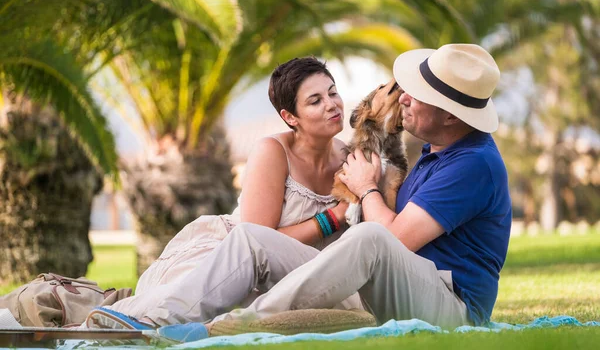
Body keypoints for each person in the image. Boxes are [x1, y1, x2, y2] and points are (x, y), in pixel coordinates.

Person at [90, 43, 511, 333]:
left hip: (451, 308)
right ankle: (144, 318)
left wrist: (366, 190)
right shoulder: (438, 151)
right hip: (389, 288)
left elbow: (393, 240)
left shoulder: (473, 164)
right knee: (253, 239)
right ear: (289, 116)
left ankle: (245, 323)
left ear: (452, 117)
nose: (403, 99)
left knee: (370, 238)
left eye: (417, 96)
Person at [86, 56, 362, 329]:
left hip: (303, 273)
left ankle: (134, 322)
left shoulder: (351, 158)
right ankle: (109, 324)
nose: (332, 105)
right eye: (315, 101)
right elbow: (258, 238)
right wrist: (332, 219)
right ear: (290, 117)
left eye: (333, 93)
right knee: (197, 296)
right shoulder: (274, 152)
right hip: (234, 256)